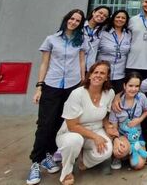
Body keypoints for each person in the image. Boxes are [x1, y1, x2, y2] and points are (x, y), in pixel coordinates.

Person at [27, 9, 86, 185]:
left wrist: (82, 82)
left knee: (60, 124)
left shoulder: (81, 40)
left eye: (77, 20)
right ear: (66, 19)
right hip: (52, 85)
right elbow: (44, 63)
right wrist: (39, 87)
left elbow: (82, 61)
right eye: (72, 18)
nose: (73, 22)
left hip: (71, 85)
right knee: (45, 124)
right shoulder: (52, 39)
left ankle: (48, 155)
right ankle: (35, 162)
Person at [55, 61, 118, 185]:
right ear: (89, 75)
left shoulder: (109, 93)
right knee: (74, 141)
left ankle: (84, 160)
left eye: (102, 73)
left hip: (96, 128)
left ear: (107, 78)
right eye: (95, 72)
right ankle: (67, 172)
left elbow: (105, 115)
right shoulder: (77, 94)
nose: (98, 75)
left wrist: (107, 127)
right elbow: (72, 126)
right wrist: (95, 137)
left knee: (107, 151)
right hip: (71, 132)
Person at [109, 72, 147, 171]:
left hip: (137, 135)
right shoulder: (117, 103)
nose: (133, 89)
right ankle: (118, 156)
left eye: (136, 86)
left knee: (138, 165)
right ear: (124, 85)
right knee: (121, 151)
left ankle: (130, 153)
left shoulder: (141, 97)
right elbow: (113, 126)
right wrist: (116, 141)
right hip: (123, 135)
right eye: (130, 85)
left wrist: (139, 119)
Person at [96, 9, 132, 93]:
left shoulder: (128, 34)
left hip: (120, 75)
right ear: (113, 18)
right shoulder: (103, 32)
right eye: (118, 17)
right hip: (103, 74)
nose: (120, 19)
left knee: (116, 100)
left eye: (123, 18)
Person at [83, 6, 110, 71]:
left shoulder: (101, 31)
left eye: (105, 16)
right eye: (100, 13)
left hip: (90, 69)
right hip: (75, 66)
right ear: (94, 12)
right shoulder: (80, 25)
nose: (101, 16)